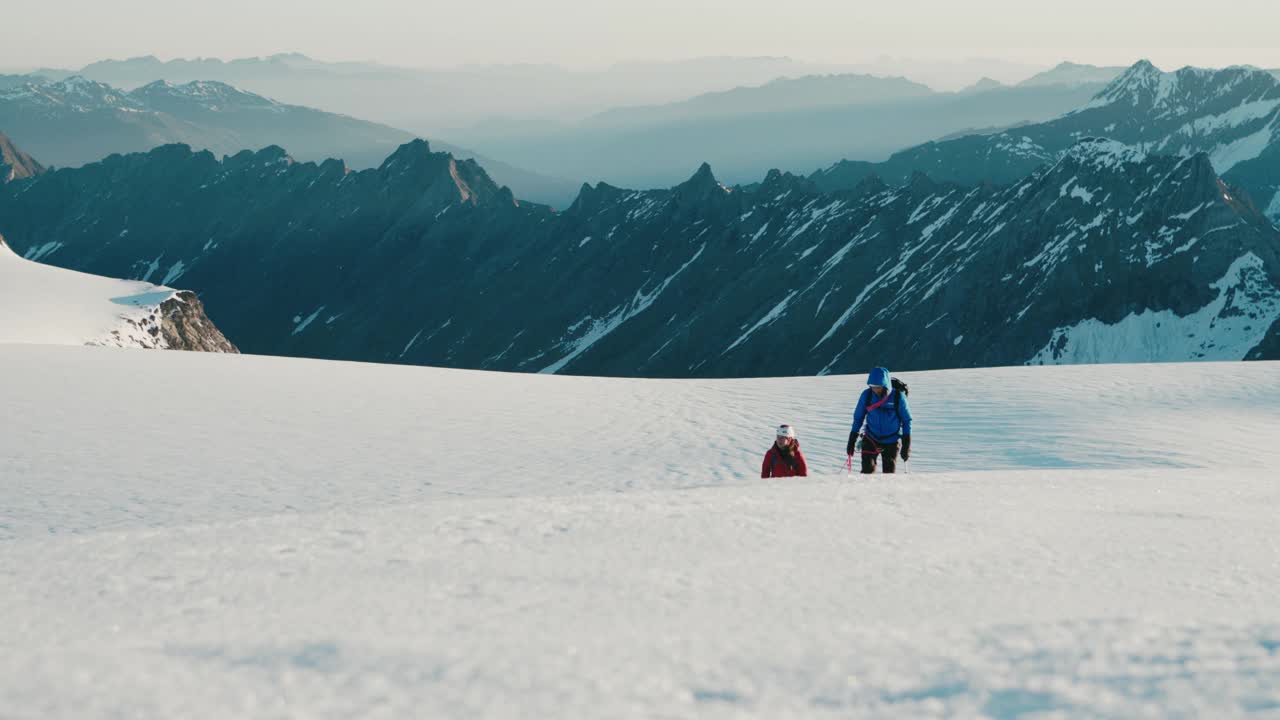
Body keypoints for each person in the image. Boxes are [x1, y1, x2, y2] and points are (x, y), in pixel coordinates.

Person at [846, 367, 912, 474]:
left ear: (885, 385)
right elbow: (858, 418)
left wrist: (906, 444)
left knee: (889, 474)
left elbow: (906, 420)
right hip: (871, 438)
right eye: (872, 387)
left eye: (878, 387)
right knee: (867, 472)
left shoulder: (898, 397)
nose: (875, 390)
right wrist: (852, 439)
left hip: (891, 440)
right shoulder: (866, 395)